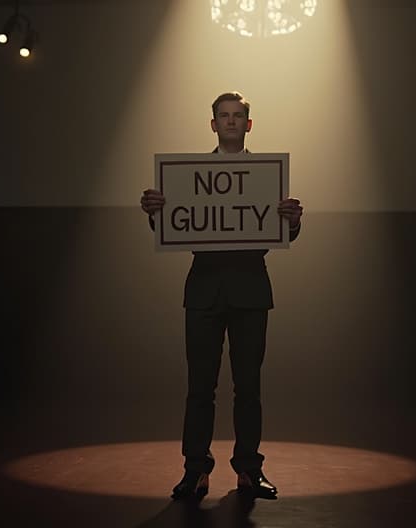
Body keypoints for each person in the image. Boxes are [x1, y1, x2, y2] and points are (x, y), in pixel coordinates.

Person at [140, 92, 303, 501]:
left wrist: (293, 221)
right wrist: (155, 211)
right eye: (223, 116)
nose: (230, 121)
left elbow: (282, 232)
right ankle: (195, 471)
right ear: (213, 124)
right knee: (200, 388)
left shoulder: (267, 175)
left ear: (248, 124)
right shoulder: (187, 177)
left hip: (250, 290)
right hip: (205, 291)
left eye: (238, 116)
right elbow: (175, 226)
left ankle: (249, 470)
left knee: (248, 387)